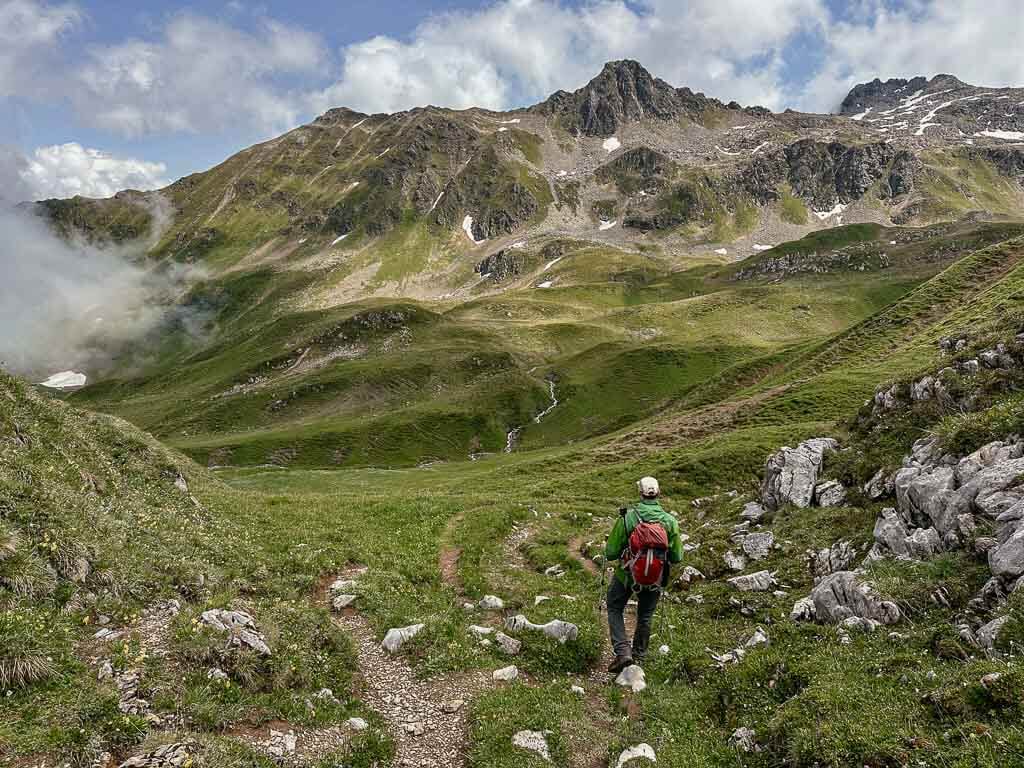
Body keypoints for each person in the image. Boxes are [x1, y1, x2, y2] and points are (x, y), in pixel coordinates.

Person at [604, 476, 683, 673]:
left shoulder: (628, 518)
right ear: (658, 493)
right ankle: (639, 656)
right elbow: (677, 556)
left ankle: (623, 652)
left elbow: (611, 552)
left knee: (614, 606)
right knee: (645, 615)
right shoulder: (670, 521)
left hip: (626, 576)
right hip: (655, 579)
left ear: (640, 493)